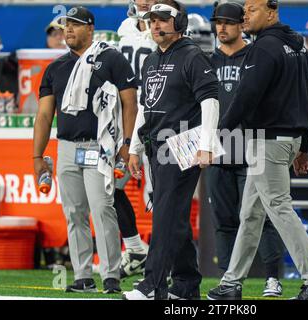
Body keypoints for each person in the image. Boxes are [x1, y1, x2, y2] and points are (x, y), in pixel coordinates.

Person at [207, 0, 308, 300]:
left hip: (267, 141)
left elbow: (245, 97)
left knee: (278, 207)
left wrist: (216, 135)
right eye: (245, 10)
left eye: (252, 9)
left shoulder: (262, 48)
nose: (245, 15)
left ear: (272, 11)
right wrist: (303, 146)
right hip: (287, 141)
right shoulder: (298, 47)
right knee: (251, 213)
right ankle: (231, 282)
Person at [33, 6, 138, 294]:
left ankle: (111, 275)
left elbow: (131, 103)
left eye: (76, 25)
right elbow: (43, 116)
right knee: (74, 213)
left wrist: (128, 144)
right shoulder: (55, 68)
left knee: (103, 209)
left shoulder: (111, 59)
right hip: (66, 145)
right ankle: (82, 275)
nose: (68, 30)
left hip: (99, 146)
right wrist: (37, 156)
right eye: (66, 25)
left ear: (90, 28)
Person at [122, 0, 220, 300]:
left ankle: (152, 284)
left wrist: (205, 146)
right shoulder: (152, 60)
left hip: (182, 145)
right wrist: (135, 148)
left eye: (163, 19)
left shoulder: (192, 56)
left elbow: (210, 101)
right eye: (152, 20)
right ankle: (186, 284)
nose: (155, 25)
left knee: (165, 215)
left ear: (179, 23)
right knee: (174, 217)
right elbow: (144, 105)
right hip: (156, 145)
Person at [206, 1, 284, 298]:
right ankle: (229, 281)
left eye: (228, 22)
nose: (222, 27)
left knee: (262, 217)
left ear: (242, 24)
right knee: (224, 220)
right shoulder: (207, 61)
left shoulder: (256, 54)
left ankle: (272, 279)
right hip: (218, 149)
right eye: (218, 22)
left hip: (254, 145)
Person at [115, 0, 158, 281]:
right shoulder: (125, 28)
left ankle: (163, 262)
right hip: (126, 117)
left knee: (159, 196)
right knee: (110, 185)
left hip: (157, 117)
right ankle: (134, 249)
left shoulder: (168, 28)